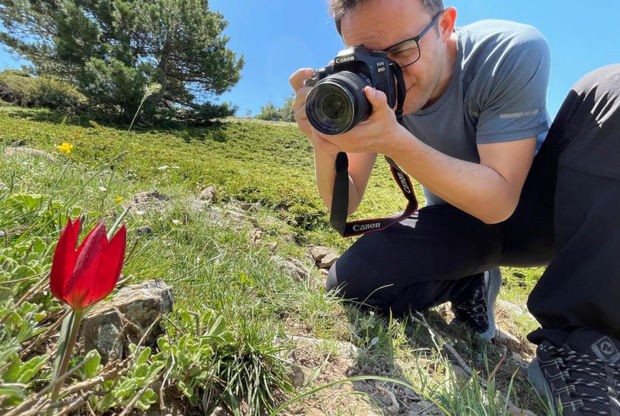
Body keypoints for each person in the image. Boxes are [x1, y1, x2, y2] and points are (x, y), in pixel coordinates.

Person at [289, 0, 620, 413]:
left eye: (401, 52)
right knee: (353, 282)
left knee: (614, 86)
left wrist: (392, 139)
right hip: (463, 224)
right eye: (370, 56)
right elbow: (347, 197)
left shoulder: (508, 49)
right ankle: (468, 282)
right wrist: (326, 141)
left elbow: (500, 199)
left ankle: (582, 345)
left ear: (445, 24)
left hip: (548, 213)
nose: (387, 70)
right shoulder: (361, 83)